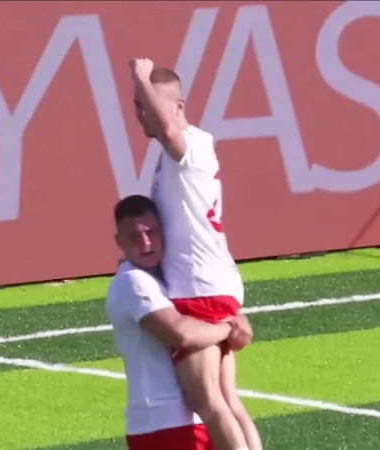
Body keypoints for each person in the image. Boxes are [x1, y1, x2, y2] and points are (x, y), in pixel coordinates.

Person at [129, 58, 263, 450]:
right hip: (211, 282)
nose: (142, 112)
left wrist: (140, 77)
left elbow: (169, 129)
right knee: (226, 398)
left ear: (178, 106)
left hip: (198, 288)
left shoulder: (186, 146)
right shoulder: (185, 151)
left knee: (207, 401)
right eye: (138, 105)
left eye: (149, 103)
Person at [106, 194, 254, 450]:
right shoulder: (133, 282)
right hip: (163, 425)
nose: (146, 243)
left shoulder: (168, 278)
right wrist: (228, 328)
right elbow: (181, 334)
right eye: (134, 236)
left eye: (151, 232)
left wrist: (234, 320)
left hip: (186, 422)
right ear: (119, 242)